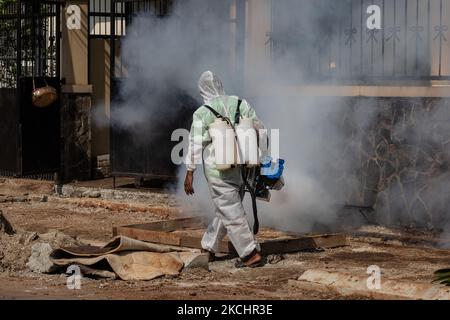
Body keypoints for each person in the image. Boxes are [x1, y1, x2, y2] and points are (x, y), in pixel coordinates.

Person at [184, 71, 266, 268]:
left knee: (230, 209)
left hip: (218, 171)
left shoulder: (203, 112)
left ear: (203, 90)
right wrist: (260, 157)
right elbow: (260, 129)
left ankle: (249, 254)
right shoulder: (240, 103)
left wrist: (190, 171)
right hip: (243, 167)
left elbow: (195, 143)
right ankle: (209, 247)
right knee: (228, 208)